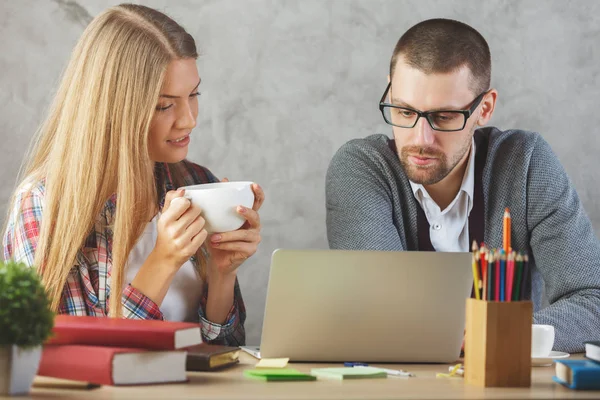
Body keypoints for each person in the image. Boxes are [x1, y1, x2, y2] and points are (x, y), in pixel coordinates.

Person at [325, 18, 600, 353]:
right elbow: (381, 310)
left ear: (484, 109)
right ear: (390, 92)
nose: (419, 138)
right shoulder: (362, 168)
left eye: (444, 117)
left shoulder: (526, 164)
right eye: (404, 111)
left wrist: (497, 336)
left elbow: (593, 301)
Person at [2, 4, 263, 346]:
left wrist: (221, 274)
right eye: (164, 105)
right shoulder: (45, 204)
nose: (189, 120)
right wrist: (163, 261)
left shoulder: (195, 183)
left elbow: (224, 352)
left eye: (193, 95)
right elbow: (72, 363)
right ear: (112, 108)